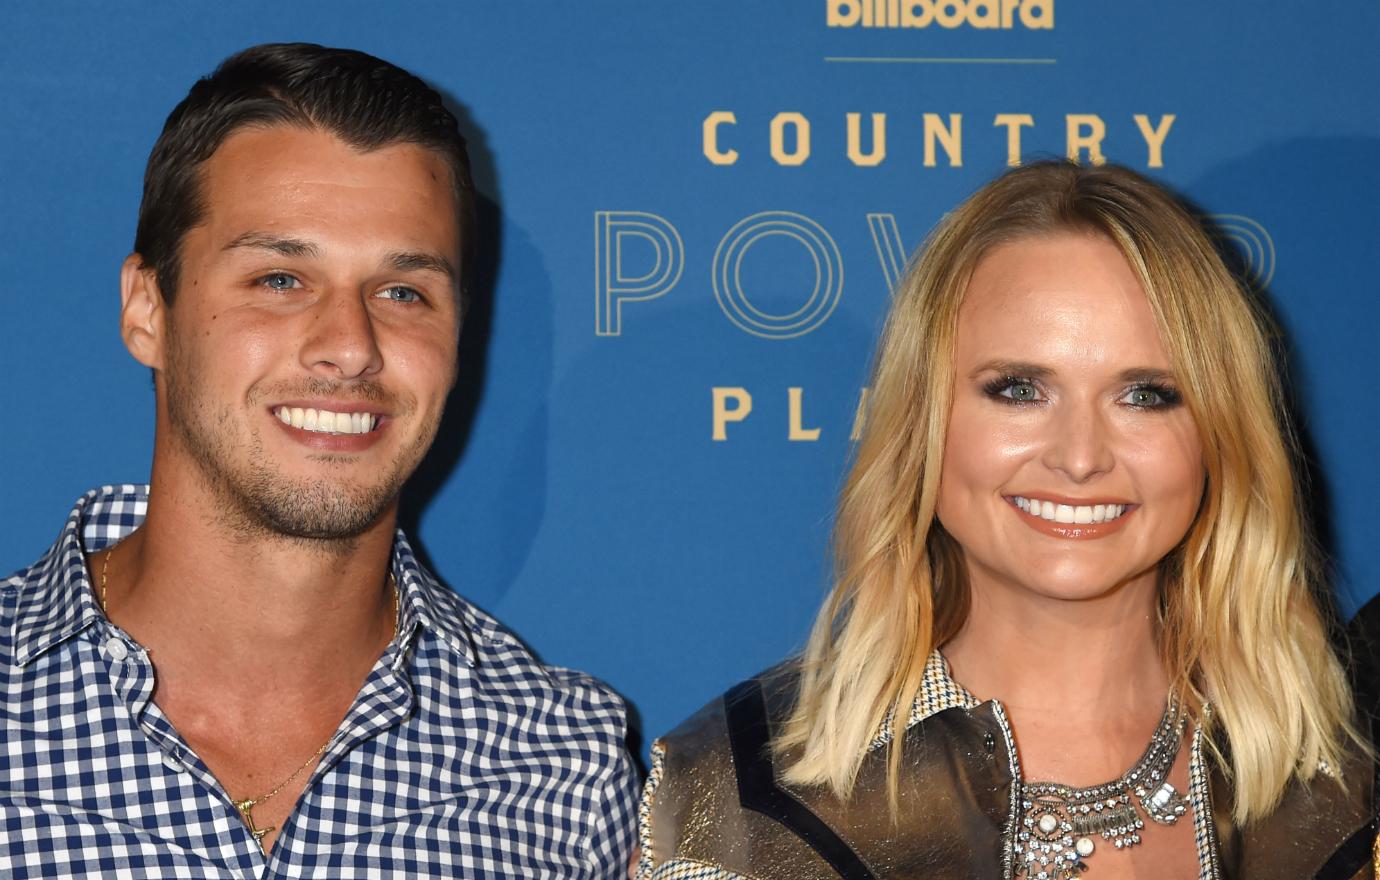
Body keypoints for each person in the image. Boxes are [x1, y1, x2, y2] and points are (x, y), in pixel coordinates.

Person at [635, 161, 1375, 880]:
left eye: (1146, 395)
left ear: (1221, 435)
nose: (1080, 457)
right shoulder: (750, 804)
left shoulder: (1349, 781)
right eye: (1019, 389)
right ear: (924, 422)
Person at [0, 43, 637, 877]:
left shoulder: (568, 770)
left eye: (403, 292)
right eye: (279, 279)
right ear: (147, 309)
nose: (349, 347)